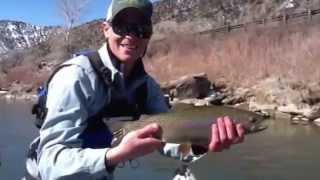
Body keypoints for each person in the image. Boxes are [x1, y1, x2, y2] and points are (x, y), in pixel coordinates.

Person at [25, 0, 245, 179]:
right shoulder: (75, 78)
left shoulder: (147, 87)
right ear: (106, 30)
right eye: (122, 26)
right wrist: (116, 155)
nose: (131, 35)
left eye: (141, 29)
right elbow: (49, 163)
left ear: (149, 34)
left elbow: (169, 143)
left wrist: (201, 142)